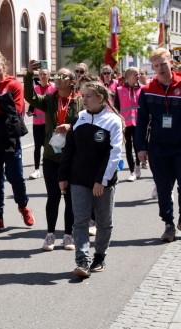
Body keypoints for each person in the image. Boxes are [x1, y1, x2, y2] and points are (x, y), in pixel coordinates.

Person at [58, 81, 123, 278]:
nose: (83, 99)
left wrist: (101, 180)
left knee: (104, 222)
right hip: (79, 179)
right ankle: (82, 260)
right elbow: (69, 149)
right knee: (80, 221)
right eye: (82, 95)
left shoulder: (112, 121)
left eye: (88, 96)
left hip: (103, 182)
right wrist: (63, 175)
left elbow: (114, 154)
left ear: (100, 98)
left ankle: (99, 256)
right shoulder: (79, 118)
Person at [24, 61, 83, 252]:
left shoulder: (80, 101)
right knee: (53, 196)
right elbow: (30, 96)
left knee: (70, 198)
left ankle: (68, 234)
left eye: (62, 76)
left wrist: (70, 127)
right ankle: (50, 234)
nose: (57, 79)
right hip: (51, 156)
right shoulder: (49, 99)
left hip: (72, 157)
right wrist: (29, 74)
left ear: (72, 82)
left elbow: (87, 125)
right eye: (56, 76)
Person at [0, 50, 35, 232]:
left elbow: (14, 111)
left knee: (16, 177)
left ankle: (23, 206)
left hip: (10, 139)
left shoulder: (14, 85)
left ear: (4, 67)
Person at [136, 48, 181, 242]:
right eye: (156, 65)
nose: (161, 68)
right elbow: (141, 121)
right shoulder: (146, 91)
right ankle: (169, 223)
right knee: (163, 188)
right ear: (152, 67)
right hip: (158, 148)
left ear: (171, 62)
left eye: (163, 63)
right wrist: (140, 148)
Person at [114, 67, 142, 182]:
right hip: (125, 124)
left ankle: (138, 166)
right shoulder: (119, 90)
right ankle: (132, 172)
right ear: (128, 76)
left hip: (139, 123)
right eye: (135, 74)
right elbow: (116, 107)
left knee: (137, 146)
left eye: (139, 74)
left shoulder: (142, 89)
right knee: (128, 148)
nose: (138, 76)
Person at [27, 68, 55, 180]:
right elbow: (33, 103)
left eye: (45, 74)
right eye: (41, 74)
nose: (43, 76)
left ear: (49, 76)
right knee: (37, 146)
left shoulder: (53, 88)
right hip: (37, 122)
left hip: (50, 123)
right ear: (38, 76)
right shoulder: (35, 88)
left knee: (51, 145)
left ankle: (53, 167)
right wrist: (30, 111)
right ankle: (37, 169)